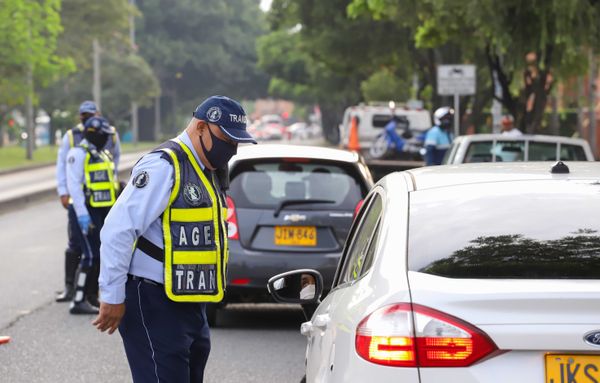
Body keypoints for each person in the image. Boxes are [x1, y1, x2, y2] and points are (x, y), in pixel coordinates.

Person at [93, 95, 256, 383]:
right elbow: (118, 230)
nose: (232, 148)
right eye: (227, 139)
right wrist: (113, 295)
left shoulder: (209, 170)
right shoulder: (164, 166)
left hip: (188, 301)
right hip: (153, 298)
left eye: (236, 141)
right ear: (202, 128)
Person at [55, 101, 120, 303]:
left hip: (101, 209)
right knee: (83, 251)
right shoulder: (75, 145)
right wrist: (65, 194)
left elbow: (113, 168)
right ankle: (75, 293)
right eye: (83, 114)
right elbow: (68, 175)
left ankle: (91, 294)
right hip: (84, 209)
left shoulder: (104, 148)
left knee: (98, 253)